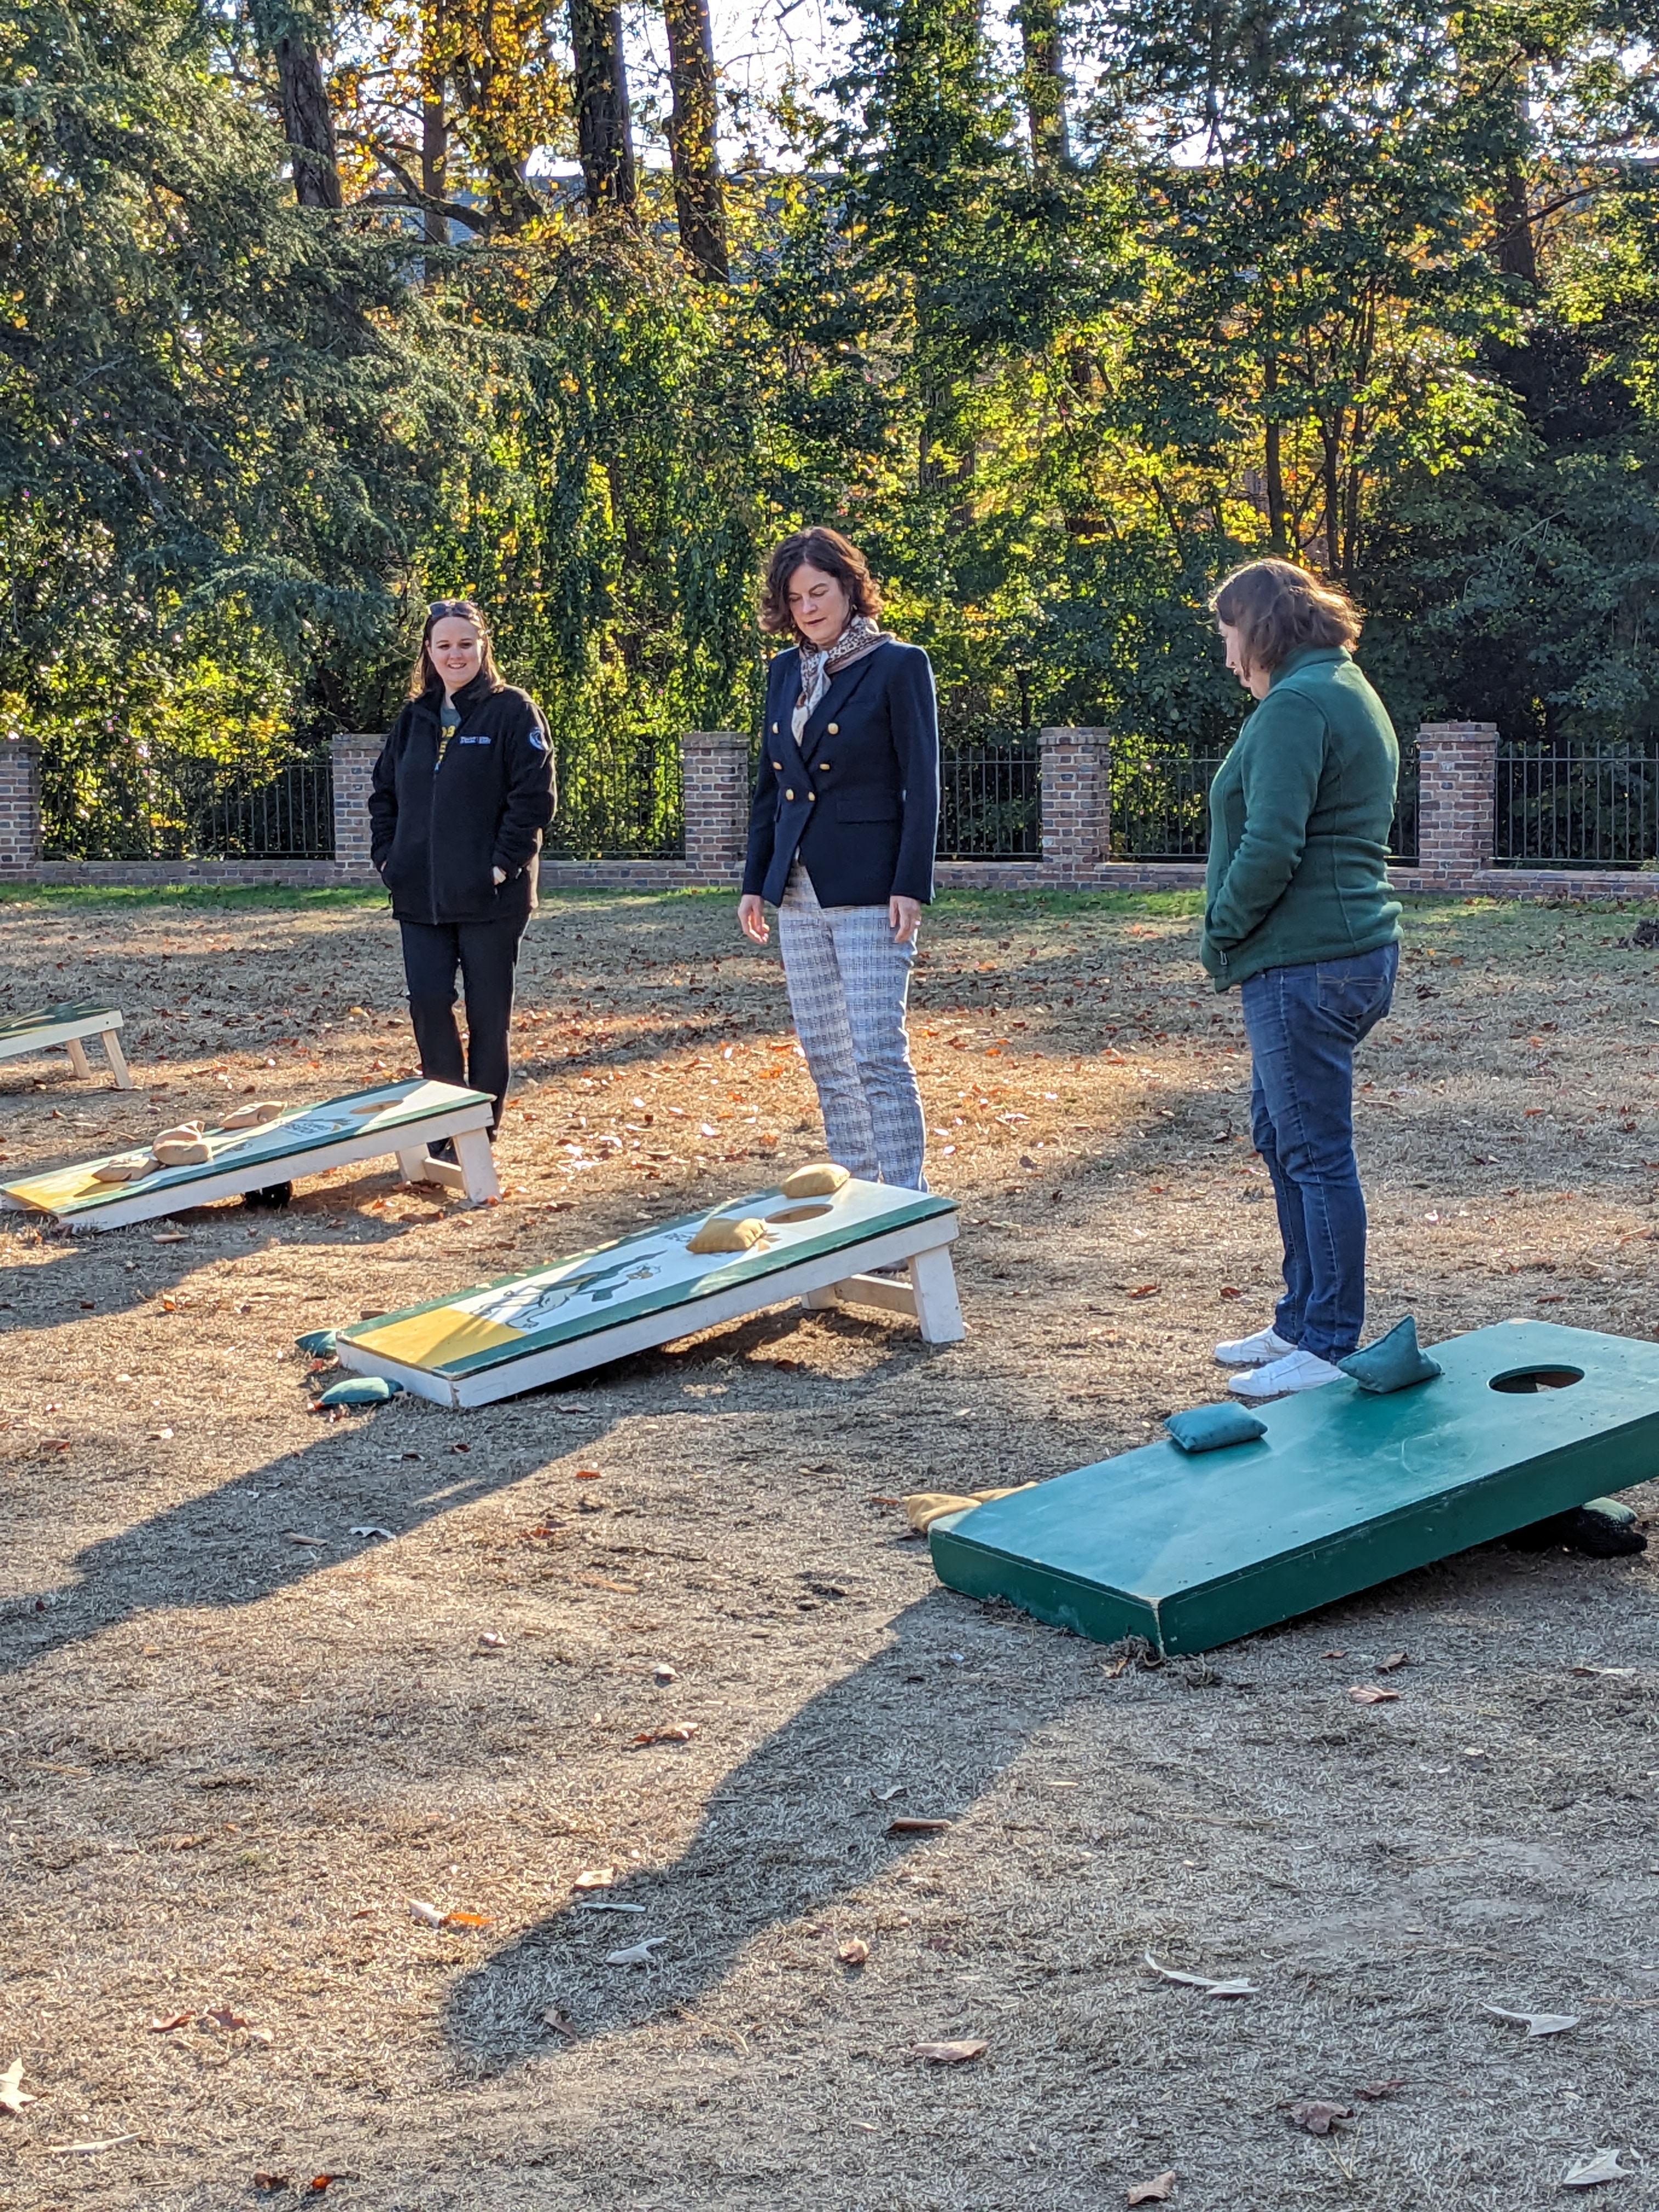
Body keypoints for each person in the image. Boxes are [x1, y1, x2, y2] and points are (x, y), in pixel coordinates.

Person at [1200, 558, 1401, 1400]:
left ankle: (1325, 1343)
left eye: (1226, 634)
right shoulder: (1342, 685)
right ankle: (1298, 1318)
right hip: (1342, 953)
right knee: (1284, 1135)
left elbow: (1272, 846)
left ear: (1259, 628)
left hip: (1305, 959)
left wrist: (1221, 927)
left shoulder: (1295, 704)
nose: (1224, 655)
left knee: (1315, 1152)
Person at [737, 528, 939, 1190]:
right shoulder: (782, 671)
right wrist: (755, 883)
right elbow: (771, 785)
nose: (808, 609)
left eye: (819, 592)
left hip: (872, 886)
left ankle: (902, 1204)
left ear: (851, 588)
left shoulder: (899, 664)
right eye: (795, 598)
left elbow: (922, 779)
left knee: (877, 1051)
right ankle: (856, 1203)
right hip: (797, 889)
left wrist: (911, 882)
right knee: (827, 1054)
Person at [368, 598, 555, 1136]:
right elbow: (384, 794)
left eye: (465, 644)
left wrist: (500, 866)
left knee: (487, 1017)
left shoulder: (512, 711)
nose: (456, 655)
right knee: (429, 1004)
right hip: (419, 897)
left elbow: (534, 797)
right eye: (444, 645)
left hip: (490, 899)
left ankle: (480, 1126)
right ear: (428, 651)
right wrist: (389, 859)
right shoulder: (414, 719)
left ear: (482, 647)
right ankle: (444, 1122)